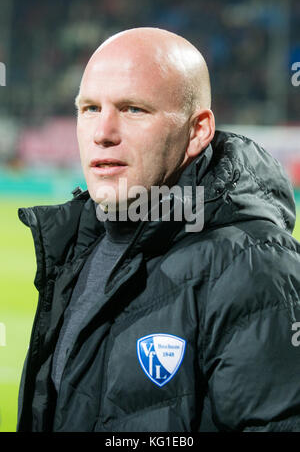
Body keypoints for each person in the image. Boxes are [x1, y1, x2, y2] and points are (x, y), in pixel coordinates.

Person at [17, 27, 300, 432]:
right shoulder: (77, 249)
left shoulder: (257, 268)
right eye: (89, 108)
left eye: (133, 109)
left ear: (197, 130)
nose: (102, 133)